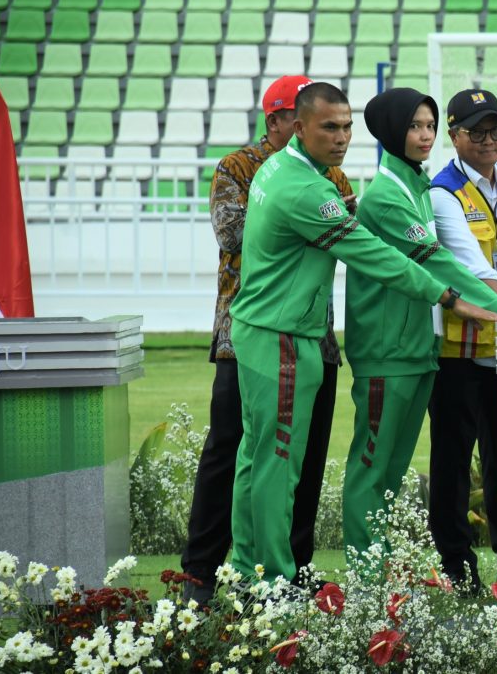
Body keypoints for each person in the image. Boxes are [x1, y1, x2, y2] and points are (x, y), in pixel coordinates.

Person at [228, 82, 497, 584]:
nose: (341, 138)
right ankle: (272, 580)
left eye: (345, 127)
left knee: (259, 457)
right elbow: (379, 257)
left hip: (273, 331)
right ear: (298, 127)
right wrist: (456, 299)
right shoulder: (311, 188)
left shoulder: (295, 171)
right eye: (328, 127)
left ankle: (248, 571)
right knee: (281, 462)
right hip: (285, 338)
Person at [343, 88, 497, 557]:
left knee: (390, 472)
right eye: (414, 126)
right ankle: (368, 576)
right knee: (374, 469)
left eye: (428, 125)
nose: (424, 135)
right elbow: (441, 264)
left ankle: (378, 572)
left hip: (415, 348)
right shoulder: (394, 194)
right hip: (389, 350)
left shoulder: (413, 184)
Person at [183, 75, 342, 601]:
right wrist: (297, 215)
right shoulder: (237, 168)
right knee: (232, 449)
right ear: (279, 121)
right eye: (287, 118)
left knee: (305, 456)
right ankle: (203, 570)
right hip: (245, 335)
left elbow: (344, 233)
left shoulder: (331, 174)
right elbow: (233, 235)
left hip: (314, 334)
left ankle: (291, 565)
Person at [426, 88, 497, 590]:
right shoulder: (442, 191)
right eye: (476, 131)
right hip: (459, 351)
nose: (489, 140)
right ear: (455, 135)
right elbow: (471, 267)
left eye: (496, 129)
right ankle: (456, 565)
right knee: (452, 462)